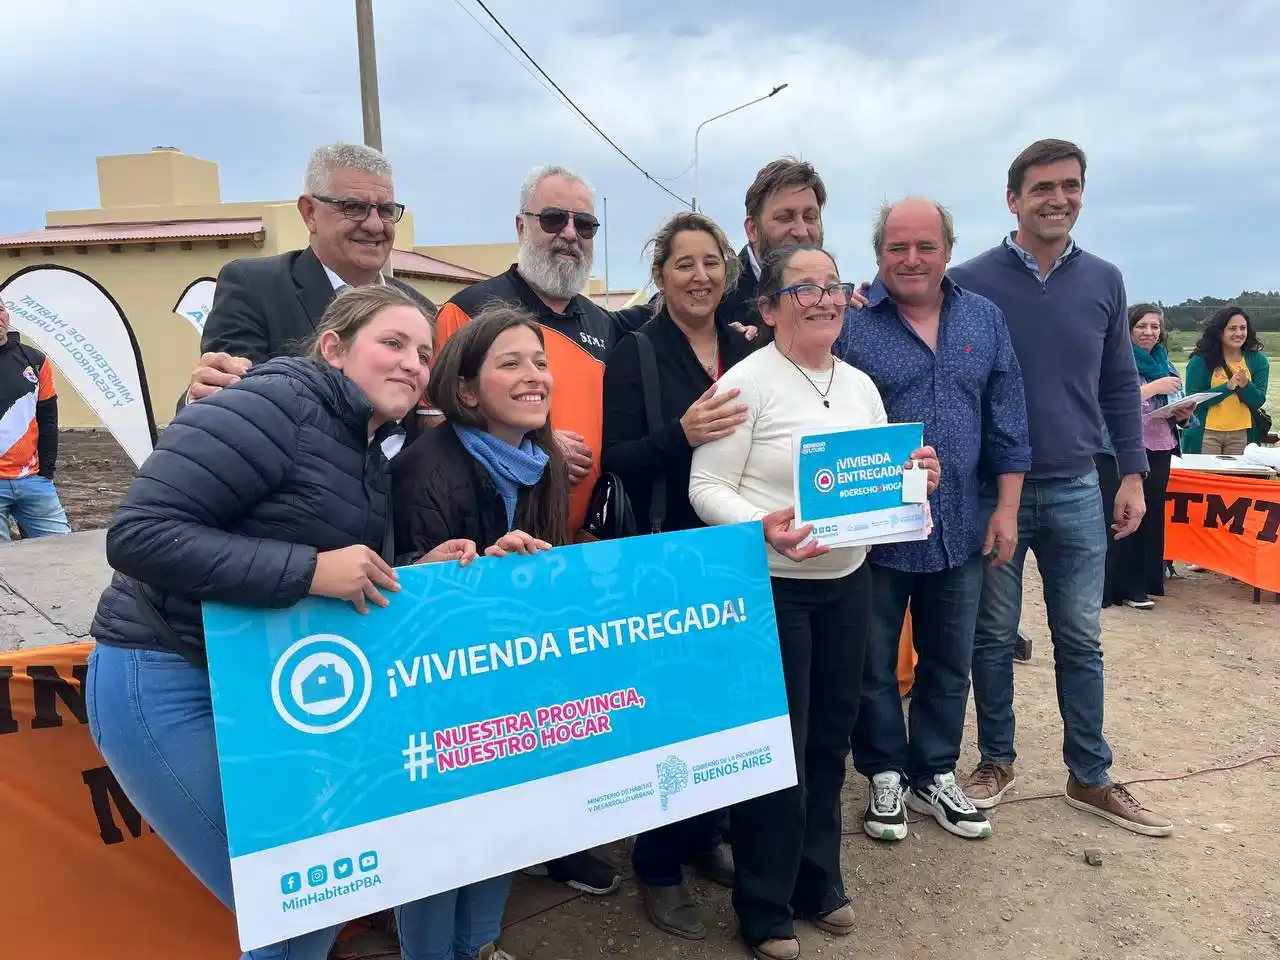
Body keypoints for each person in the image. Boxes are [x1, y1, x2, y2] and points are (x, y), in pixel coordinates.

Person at [85, 286, 518, 960]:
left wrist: (417, 566)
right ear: (333, 348)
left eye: (425, 353)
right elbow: (139, 534)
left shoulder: (364, 446)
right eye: (394, 343)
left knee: (310, 903)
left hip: (253, 685)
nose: (413, 363)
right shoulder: (273, 403)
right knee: (294, 908)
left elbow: (339, 558)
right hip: (166, 675)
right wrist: (310, 571)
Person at [689, 246, 939, 960]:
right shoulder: (746, 383)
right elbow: (705, 488)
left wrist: (919, 477)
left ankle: (817, 881)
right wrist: (758, 525)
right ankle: (764, 905)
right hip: (774, 588)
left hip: (846, 583)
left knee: (832, 734)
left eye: (833, 286)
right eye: (806, 289)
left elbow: (883, 485)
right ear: (770, 307)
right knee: (780, 747)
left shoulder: (859, 386)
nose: (825, 299)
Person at [950, 138, 1172, 836]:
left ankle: (1089, 774)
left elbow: (1117, 384)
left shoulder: (1104, 280)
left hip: (1080, 484)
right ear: (1013, 198)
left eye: (1070, 186)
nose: (1058, 198)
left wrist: (1131, 474)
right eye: (1042, 187)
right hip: (994, 493)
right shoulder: (969, 279)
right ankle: (995, 762)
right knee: (991, 637)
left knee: (1081, 637)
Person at [429, 165, 621, 896]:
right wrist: (538, 446)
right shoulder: (469, 309)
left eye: (584, 223)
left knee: (562, 705)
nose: (569, 235)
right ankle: (482, 866)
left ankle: (562, 842)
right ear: (521, 227)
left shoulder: (603, 325)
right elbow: (439, 413)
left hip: (563, 548)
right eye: (553, 220)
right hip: (482, 552)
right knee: (486, 722)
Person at [836, 199, 1030, 842]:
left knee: (951, 659)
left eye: (924, 246)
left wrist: (1005, 509)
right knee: (874, 662)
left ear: (948, 248)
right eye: (896, 248)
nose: (910, 259)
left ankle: (933, 774)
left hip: (961, 524)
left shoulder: (984, 318)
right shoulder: (853, 324)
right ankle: (885, 772)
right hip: (877, 533)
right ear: (879, 255)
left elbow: (1007, 419)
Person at [601, 211, 751, 939]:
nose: (700, 276)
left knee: (729, 704)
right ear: (661, 276)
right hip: (669, 557)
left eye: (711, 262)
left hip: (743, 551)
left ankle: (707, 835)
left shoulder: (747, 345)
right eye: (684, 263)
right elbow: (617, 459)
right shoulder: (636, 352)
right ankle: (658, 860)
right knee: (671, 711)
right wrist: (680, 437)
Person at [183, 142, 436, 409]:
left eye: (385, 210)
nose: (374, 225)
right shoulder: (256, 288)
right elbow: (225, 398)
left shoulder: (421, 310)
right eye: (353, 207)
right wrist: (196, 397)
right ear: (309, 213)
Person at [392, 303, 569, 563]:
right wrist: (488, 565)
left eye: (541, 363)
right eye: (510, 364)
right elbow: (419, 582)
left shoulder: (549, 465)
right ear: (467, 391)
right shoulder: (422, 470)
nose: (535, 376)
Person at [1102, 304, 1190, 609]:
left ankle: (1138, 586)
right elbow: (1108, 401)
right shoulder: (1114, 360)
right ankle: (1110, 587)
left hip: (1160, 447)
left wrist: (1184, 413)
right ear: (1127, 329)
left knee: (1149, 517)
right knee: (1120, 515)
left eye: (1154, 327)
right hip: (1123, 448)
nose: (1149, 332)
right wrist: (1152, 388)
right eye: (1141, 326)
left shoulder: (1167, 364)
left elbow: (1179, 408)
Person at [0, 300, 72, 540]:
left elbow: (48, 419)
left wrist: (46, 472)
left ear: (7, 316)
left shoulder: (35, 360)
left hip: (32, 481)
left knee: (61, 550)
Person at [1182, 305, 1271, 456]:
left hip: (1242, 434)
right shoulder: (1200, 360)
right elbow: (1193, 402)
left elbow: (1258, 401)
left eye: (1243, 328)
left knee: (1237, 479)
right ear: (1219, 331)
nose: (1239, 333)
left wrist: (1246, 385)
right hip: (1207, 434)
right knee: (1207, 479)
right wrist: (1226, 388)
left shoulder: (1258, 361)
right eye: (1232, 328)